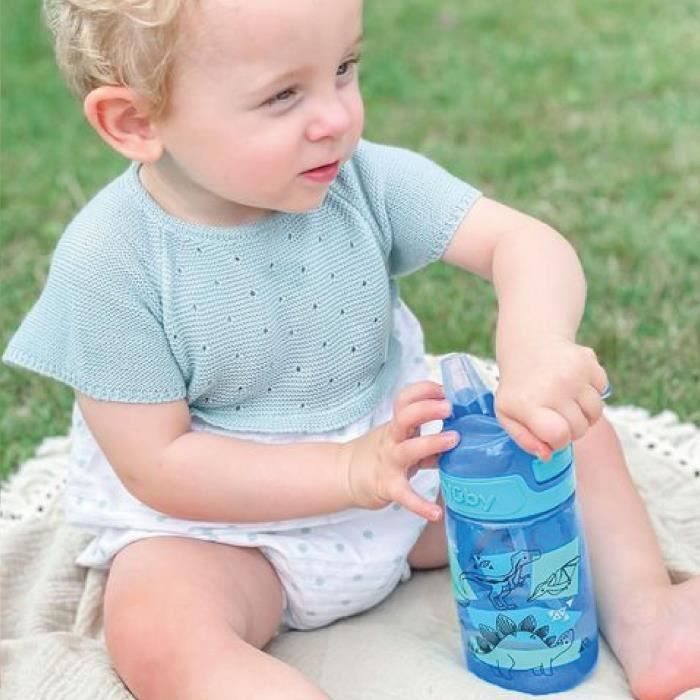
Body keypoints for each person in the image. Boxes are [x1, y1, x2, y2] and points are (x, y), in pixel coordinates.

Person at [4, 1, 699, 698]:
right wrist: (346, 471)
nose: (336, 117)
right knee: (156, 624)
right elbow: (159, 465)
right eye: (283, 95)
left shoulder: (359, 179)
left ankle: (649, 619)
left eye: (344, 68)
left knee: (572, 435)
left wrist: (536, 350)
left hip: (408, 487)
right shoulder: (111, 263)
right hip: (230, 537)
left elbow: (522, 242)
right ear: (136, 121)